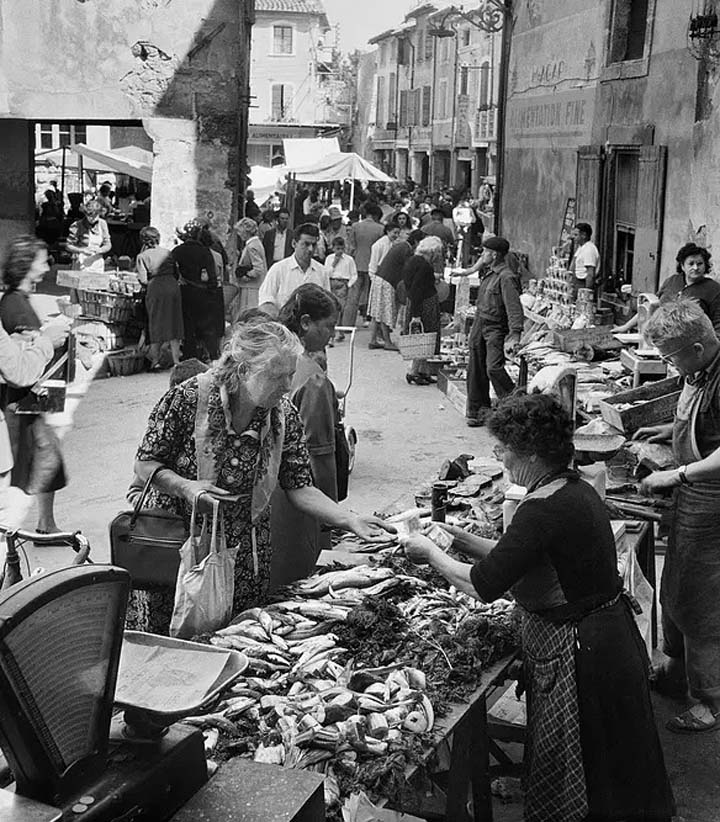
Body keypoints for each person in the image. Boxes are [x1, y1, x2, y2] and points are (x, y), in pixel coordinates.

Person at [402, 392, 675, 822]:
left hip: (583, 653)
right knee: (618, 761)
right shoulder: (572, 488)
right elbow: (518, 555)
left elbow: (483, 584)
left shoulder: (541, 508)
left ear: (528, 453)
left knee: (590, 769)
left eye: (503, 450)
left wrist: (429, 554)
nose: (501, 459)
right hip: (607, 639)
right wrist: (455, 537)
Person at [126, 320, 394, 634]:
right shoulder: (188, 399)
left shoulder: (282, 414)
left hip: (245, 557)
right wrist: (185, 487)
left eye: (290, 375)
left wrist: (349, 520)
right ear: (242, 371)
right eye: (277, 376)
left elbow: (299, 486)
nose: (286, 386)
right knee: (174, 643)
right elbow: (145, 465)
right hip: (181, 550)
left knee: (235, 639)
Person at [635, 298, 720, 733]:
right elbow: (706, 423)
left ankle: (709, 700)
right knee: (675, 587)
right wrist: (668, 431)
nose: (669, 366)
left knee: (704, 602)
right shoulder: (697, 368)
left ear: (699, 347)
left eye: (671, 357)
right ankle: (673, 672)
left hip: (713, 501)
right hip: (691, 495)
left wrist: (678, 473)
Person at [270, 285, 343, 586]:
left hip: (263, 498)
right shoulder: (313, 380)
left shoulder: (271, 355)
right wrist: (330, 520)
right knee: (296, 585)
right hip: (296, 506)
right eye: (328, 326)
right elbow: (320, 458)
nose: (332, 335)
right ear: (305, 323)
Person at [0, 236, 70, 535]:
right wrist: (48, 337)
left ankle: (44, 524)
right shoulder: (14, 303)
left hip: (27, 398)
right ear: (26, 265)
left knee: (42, 459)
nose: (46, 266)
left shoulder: (18, 300)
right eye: (42, 260)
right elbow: (19, 363)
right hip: (23, 399)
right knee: (42, 460)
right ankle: (38, 527)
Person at [457, 236, 523, 427]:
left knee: (493, 368)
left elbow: (514, 307)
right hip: (480, 322)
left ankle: (515, 407)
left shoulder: (506, 277)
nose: (482, 255)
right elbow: (480, 263)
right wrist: (468, 270)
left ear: (494, 255)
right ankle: (478, 411)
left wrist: (515, 333)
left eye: (485, 252)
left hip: (495, 327)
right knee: (475, 367)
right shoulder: (491, 272)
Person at [615, 243, 720, 334]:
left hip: (691, 343)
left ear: (705, 265)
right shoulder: (672, 281)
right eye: (691, 264)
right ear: (682, 266)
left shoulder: (713, 290)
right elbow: (652, 307)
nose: (696, 268)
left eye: (700, 264)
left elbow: (717, 325)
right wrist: (625, 327)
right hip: (661, 338)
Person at [172, 218, 220, 362]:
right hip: (203, 292)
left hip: (185, 292)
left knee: (188, 327)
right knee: (207, 326)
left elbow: (173, 271)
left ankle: (190, 356)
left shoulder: (177, 251)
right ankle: (213, 356)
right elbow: (212, 275)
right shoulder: (204, 251)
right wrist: (211, 290)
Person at [135, 227, 183, 370]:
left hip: (155, 288)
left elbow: (143, 280)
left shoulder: (142, 257)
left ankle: (155, 361)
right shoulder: (167, 253)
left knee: (155, 323)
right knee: (174, 323)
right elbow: (176, 273)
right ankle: (176, 361)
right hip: (173, 287)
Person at [258, 223, 330, 317]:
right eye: (306, 244)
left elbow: (327, 305)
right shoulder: (278, 269)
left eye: (314, 245)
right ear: (294, 244)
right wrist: (282, 322)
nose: (310, 249)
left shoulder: (322, 272)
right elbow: (265, 302)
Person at [401, 235, 443, 385]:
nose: (437, 257)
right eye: (437, 253)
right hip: (424, 304)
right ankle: (413, 371)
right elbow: (417, 289)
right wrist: (416, 315)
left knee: (424, 338)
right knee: (423, 338)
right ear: (431, 252)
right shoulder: (424, 266)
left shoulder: (413, 261)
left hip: (418, 303)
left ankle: (423, 370)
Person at [346, 203, 384, 327]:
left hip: (356, 263)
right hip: (373, 265)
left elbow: (351, 247)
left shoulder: (355, 226)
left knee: (353, 295)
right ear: (376, 216)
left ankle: (348, 323)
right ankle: (368, 319)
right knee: (371, 294)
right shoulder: (380, 228)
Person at [367, 222, 401, 350]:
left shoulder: (391, 244)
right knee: (383, 311)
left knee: (377, 312)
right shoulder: (379, 245)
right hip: (379, 278)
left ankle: (373, 339)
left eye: (398, 233)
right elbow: (373, 264)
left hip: (383, 278)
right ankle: (387, 341)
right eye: (394, 233)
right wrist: (374, 279)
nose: (396, 236)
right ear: (388, 231)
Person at [323, 236, 357, 343]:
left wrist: (349, 285)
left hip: (343, 284)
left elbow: (354, 274)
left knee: (339, 309)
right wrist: (334, 264)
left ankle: (339, 331)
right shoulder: (329, 259)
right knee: (331, 308)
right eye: (337, 249)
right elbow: (326, 273)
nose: (340, 251)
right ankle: (332, 334)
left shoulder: (349, 260)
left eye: (342, 249)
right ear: (333, 248)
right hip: (332, 282)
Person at [65, 199, 112, 272]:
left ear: (99, 213)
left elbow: (108, 244)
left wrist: (100, 250)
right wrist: (82, 250)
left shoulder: (103, 224)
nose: (91, 219)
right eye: (89, 216)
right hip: (81, 263)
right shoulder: (77, 225)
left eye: (94, 216)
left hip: (97, 263)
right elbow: (68, 245)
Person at [233, 217, 268, 314]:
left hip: (252, 288)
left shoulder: (252, 246)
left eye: (240, 232)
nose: (239, 235)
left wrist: (246, 276)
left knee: (248, 315)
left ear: (246, 231)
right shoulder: (255, 243)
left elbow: (258, 269)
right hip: (253, 287)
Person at [570, 222, 600, 296]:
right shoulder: (581, 248)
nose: (574, 237)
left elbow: (590, 274)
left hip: (582, 285)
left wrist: (586, 293)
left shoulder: (589, 249)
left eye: (576, 235)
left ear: (583, 235)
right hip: (575, 284)